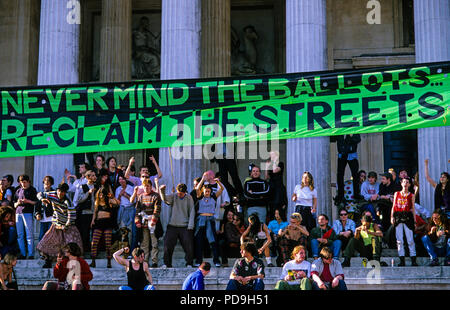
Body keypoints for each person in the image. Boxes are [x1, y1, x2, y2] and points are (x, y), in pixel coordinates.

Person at [36, 183, 84, 268]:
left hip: (67, 226)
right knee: (46, 242)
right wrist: (42, 199)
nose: (60, 193)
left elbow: (71, 216)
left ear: (65, 193)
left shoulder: (68, 202)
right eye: (59, 191)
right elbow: (39, 194)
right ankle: (48, 261)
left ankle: (72, 263)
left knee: (71, 245)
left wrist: (65, 226)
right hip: (56, 224)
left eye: (62, 192)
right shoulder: (52, 194)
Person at [159, 182, 195, 268]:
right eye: (178, 193)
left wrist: (190, 225)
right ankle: (167, 263)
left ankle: (189, 263)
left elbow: (192, 211)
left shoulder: (189, 198)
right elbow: (165, 200)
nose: (179, 195)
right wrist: (162, 191)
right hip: (173, 225)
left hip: (185, 226)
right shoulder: (174, 195)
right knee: (167, 245)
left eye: (181, 194)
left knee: (188, 246)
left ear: (185, 192)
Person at [194, 175, 224, 267]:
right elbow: (197, 188)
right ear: (203, 191)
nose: (207, 193)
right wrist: (203, 179)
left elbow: (221, 189)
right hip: (201, 219)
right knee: (199, 240)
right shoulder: (200, 197)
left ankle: (216, 260)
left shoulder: (213, 197)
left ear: (210, 192)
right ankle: (198, 260)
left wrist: (217, 182)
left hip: (210, 219)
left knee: (212, 240)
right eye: (205, 191)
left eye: (208, 191)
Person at [90, 185, 120, 268]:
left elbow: (118, 203)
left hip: (107, 222)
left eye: (102, 194)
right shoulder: (97, 202)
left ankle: (109, 261)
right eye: (100, 194)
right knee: (94, 242)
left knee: (107, 242)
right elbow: (95, 212)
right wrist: (93, 220)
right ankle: (93, 260)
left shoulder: (109, 201)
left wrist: (112, 197)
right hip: (99, 222)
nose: (101, 196)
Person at [134, 178, 162, 268]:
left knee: (154, 243)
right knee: (144, 243)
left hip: (153, 223)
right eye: (145, 186)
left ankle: (154, 261)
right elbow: (137, 210)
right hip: (144, 222)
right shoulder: (141, 196)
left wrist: (154, 220)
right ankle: (144, 261)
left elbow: (157, 209)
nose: (146, 188)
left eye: (148, 186)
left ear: (151, 187)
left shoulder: (156, 196)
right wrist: (137, 220)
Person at [391, 177, 418, 266]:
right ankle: (402, 260)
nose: (405, 184)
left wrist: (414, 221)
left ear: (409, 184)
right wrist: (392, 217)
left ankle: (413, 259)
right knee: (399, 240)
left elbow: (413, 208)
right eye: (404, 182)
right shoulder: (396, 194)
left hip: (407, 217)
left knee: (410, 239)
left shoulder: (411, 195)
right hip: (398, 216)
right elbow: (394, 206)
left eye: (407, 182)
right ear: (401, 183)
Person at [13, 174, 38, 259]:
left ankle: (31, 254)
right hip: (18, 213)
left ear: (28, 182)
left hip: (28, 213)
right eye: (21, 182)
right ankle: (23, 253)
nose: (23, 184)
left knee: (29, 234)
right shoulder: (18, 190)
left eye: (24, 182)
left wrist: (28, 201)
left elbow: (36, 202)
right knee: (20, 235)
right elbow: (14, 204)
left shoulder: (32, 190)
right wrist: (17, 203)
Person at [73, 170, 97, 252]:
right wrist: (88, 193)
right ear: (88, 177)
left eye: (95, 175)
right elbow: (79, 199)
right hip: (84, 213)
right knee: (84, 232)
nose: (95, 177)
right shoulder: (82, 186)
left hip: (93, 213)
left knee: (93, 234)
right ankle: (83, 250)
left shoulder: (96, 186)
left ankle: (92, 251)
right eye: (92, 175)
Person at [336, 134, 361, 204]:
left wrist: (351, 136)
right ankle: (340, 195)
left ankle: (356, 194)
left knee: (355, 175)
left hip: (351, 155)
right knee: (340, 175)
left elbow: (358, 139)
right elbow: (332, 139)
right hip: (342, 154)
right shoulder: (339, 131)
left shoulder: (353, 129)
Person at [264, 150, 288, 221]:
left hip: (279, 188)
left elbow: (275, 170)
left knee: (279, 206)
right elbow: (266, 177)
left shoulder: (280, 164)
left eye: (273, 155)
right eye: (271, 155)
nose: (271, 157)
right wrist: (266, 167)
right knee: (272, 207)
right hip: (272, 188)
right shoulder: (270, 164)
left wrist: (274, 162)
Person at [35, 176, 55, 242]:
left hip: (51, 218)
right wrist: (37, 214)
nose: (46, 186)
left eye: (48, 184)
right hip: (43, 219)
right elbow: (37, 206)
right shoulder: (41, 194)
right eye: (45, 184)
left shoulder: (54, 194)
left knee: (51, 236)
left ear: (51, 184)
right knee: (41, 236)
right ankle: (41, 251)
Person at [115, 175, 135, 242]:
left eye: (122, 179)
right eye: (119, 179)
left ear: (126, 180)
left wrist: (126, 195)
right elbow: (117, 203)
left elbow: (134, 201)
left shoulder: (131, 188)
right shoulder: (118, 189)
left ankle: (130, 248)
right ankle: (122, 248)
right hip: (122, 210)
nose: (121, 181)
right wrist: (120, 195)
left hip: (130, 210)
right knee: (122, 231)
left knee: (130, 231)